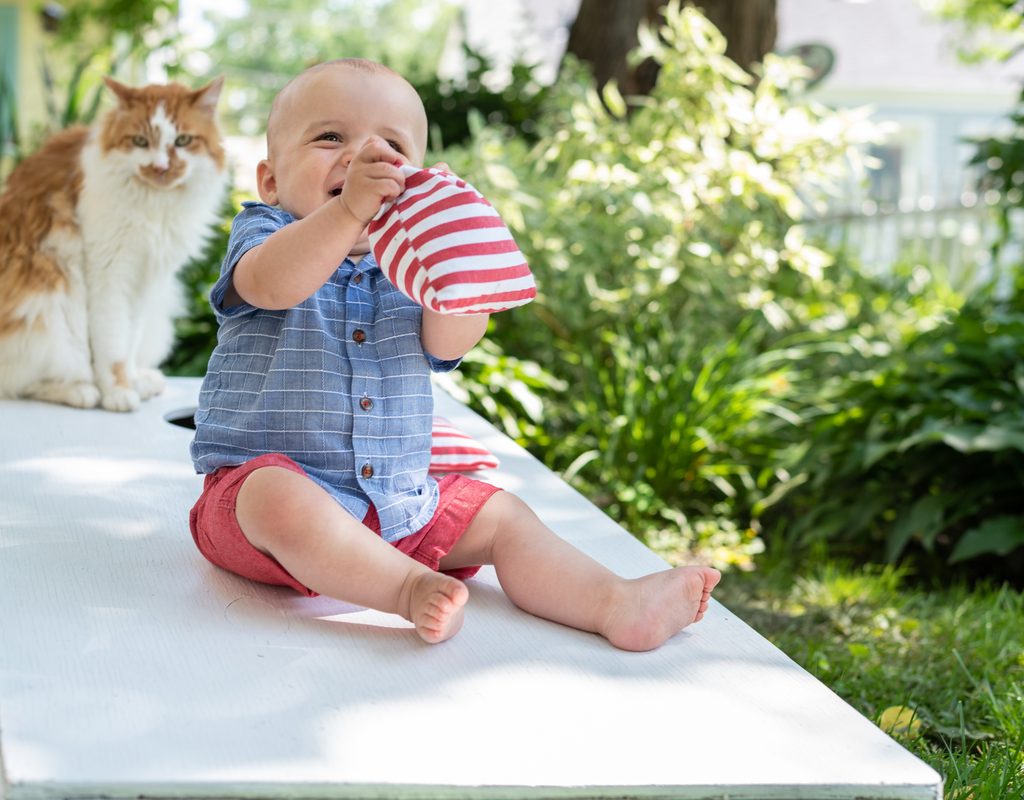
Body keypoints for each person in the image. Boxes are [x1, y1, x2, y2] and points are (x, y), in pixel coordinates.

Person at [189, 58, 720, 650]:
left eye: (390, 145)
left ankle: (614, 602)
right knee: (276, 496)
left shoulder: (411, 264)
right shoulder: (265, 232)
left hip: (397, 507)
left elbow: (450, 341)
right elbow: (272, 284)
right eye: (331, 137)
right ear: (269, 180)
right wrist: (346, 211)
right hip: (260, 511)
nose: (363, 157)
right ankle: (405, 590)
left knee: (502, 517)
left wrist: (457, 253)